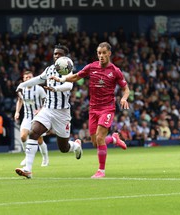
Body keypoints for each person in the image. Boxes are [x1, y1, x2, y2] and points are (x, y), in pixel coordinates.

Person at [50, 42, 129, 179]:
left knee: (99, 138)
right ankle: (114, 139)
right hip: (93, 109)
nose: (101, 56)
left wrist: (124, 98)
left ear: (109, 53)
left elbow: (126, 89)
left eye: (104, 53)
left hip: (107, 108)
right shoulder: (91, 67)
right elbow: (75, 77)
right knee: (95, 142)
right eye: (99, 53)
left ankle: (101, 171)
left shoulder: (115, 70)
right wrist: (60, 78)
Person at [15, 44, 83, 179]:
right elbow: (38, 79)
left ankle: (76, 146)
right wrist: (22, 84)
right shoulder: (50, 69)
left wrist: (56, 89)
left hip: (62, 113)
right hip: (47, 109)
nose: (56, 56)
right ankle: (28, 169)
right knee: (33, 132)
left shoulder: (68, 70)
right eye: (55, 54)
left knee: (63, 148)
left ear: (65, 57)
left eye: (59, 54)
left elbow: (69, 85)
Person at [14, 71, 49, 167]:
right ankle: (27, 156)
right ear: (23, 79)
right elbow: (20, 100)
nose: (28, 79)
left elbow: (46, 102)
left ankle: (45, 157)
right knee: (23, 136)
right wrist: (17, 112)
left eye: (30, 77)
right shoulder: (22, 90)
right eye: (26, 78)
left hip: (38, 117)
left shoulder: (39, 89)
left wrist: (40, 110)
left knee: (39, 140)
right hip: (27, 116)